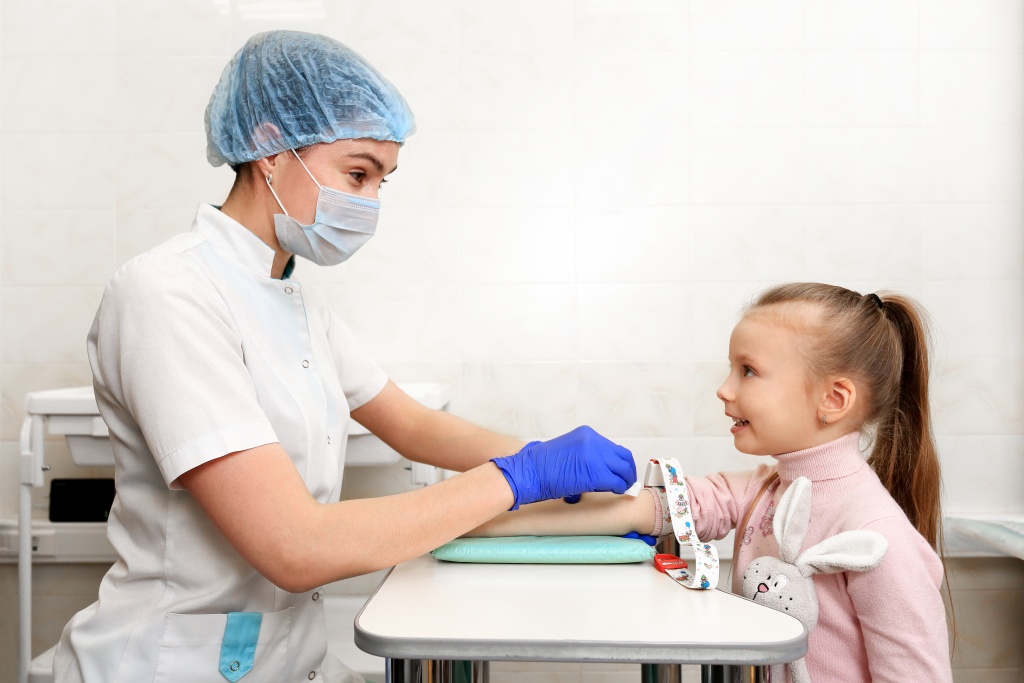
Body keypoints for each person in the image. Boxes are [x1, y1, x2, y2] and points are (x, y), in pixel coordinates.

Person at [52, 30, 639, 683]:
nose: (370, 203)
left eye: (382, 182)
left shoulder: (295, 302)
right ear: (270, 149)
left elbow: (412, 424)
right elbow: (295, 545)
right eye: (357, 174)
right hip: (169, 664)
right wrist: (521, 476)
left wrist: (557, 466)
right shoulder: (166, 292)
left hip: (287, 658)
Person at [472, 282, 953, 682]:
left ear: (833, 399)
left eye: (748, 371)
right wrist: (484, 514)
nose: (724, 390)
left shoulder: (877, 539)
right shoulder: (761, 491)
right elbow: (642, 510)